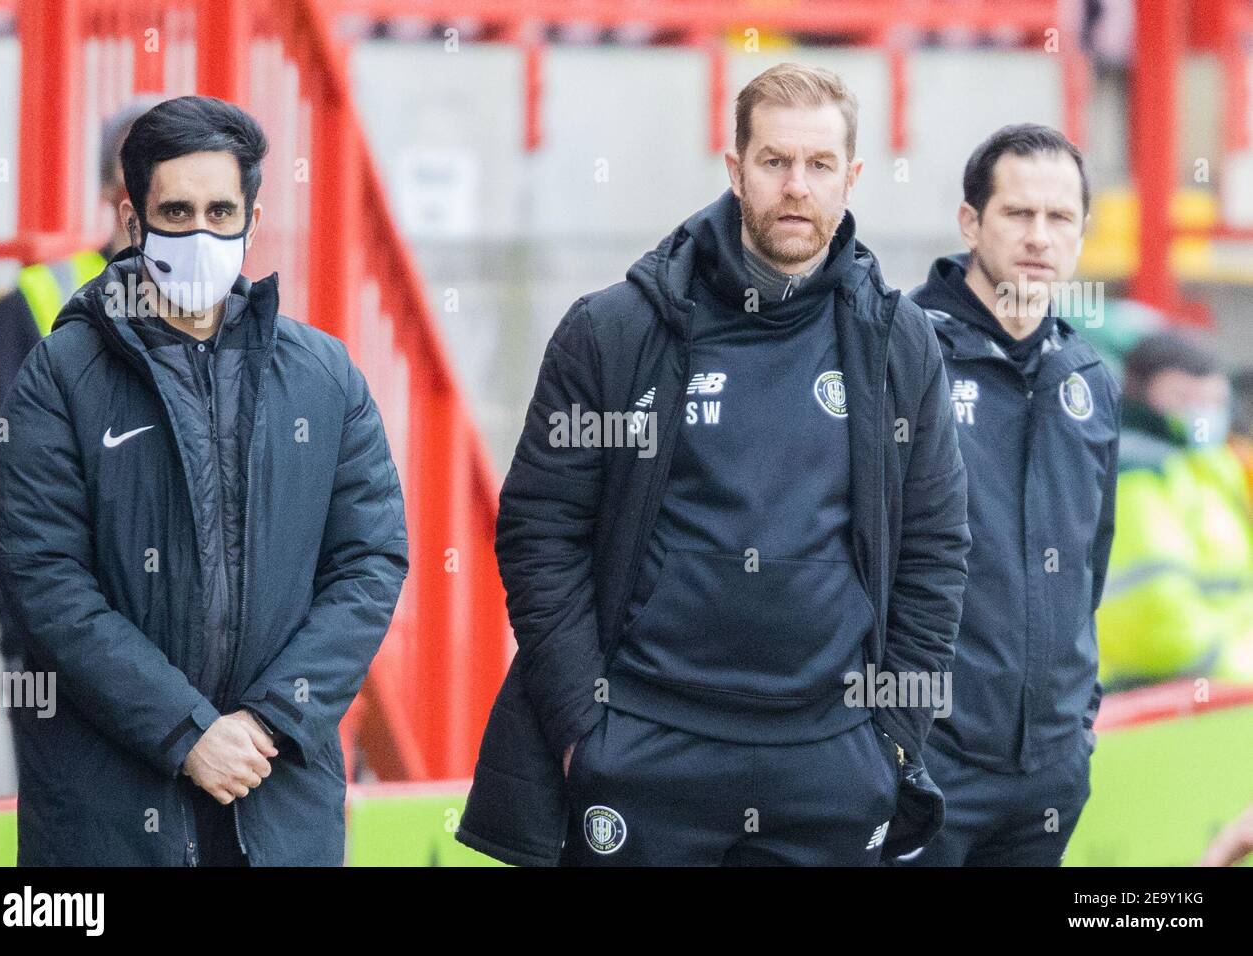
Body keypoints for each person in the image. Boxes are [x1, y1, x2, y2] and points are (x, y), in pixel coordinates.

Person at [457, 63, 970, 866]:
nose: (796, 186)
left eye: (820, 165)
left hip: (832, 757)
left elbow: (936, 551)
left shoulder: (898, 343)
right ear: (735, 170)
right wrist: (582, 731)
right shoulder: (615, 331)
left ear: (852, 178)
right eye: (774, 162)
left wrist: (893, 742)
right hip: (645, 748)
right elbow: (538, 534)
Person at [0, 95, 409, 866]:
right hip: (107, 807)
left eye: (222, 210)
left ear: (253, 215)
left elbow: (370, 561)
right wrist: (186, 732)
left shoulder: (323, 377)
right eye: (176, 211)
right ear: (133, 218)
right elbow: (45, 580)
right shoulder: (61, 375)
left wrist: (272, 720)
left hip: (277, 793)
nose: (201, 233)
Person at [901, 124, 1121, 866]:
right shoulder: (897, 353)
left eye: (1059, 218)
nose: (1039, 237)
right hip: (921, 762)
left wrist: (1076, 726)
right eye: (1016, 214)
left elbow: (1091, 565)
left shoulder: (1088, 379)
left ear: (1082, 234)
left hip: (1050, 770)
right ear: (971, 222)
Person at [0, 100, 154, 754]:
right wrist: (22, 633)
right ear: (107, 187)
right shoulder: (43, 299)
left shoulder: (233, 314)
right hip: (62, 660)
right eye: (138, 169)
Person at [1096, 332, 1253, 688]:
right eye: (1183, 396)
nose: (1201, 413)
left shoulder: (1214, 468)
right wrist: (1239, 666)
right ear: (1138, 393)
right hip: (1159, 698)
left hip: (1219, 695)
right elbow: (1154, 625)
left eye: (1214, 400)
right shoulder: (1133, 472)